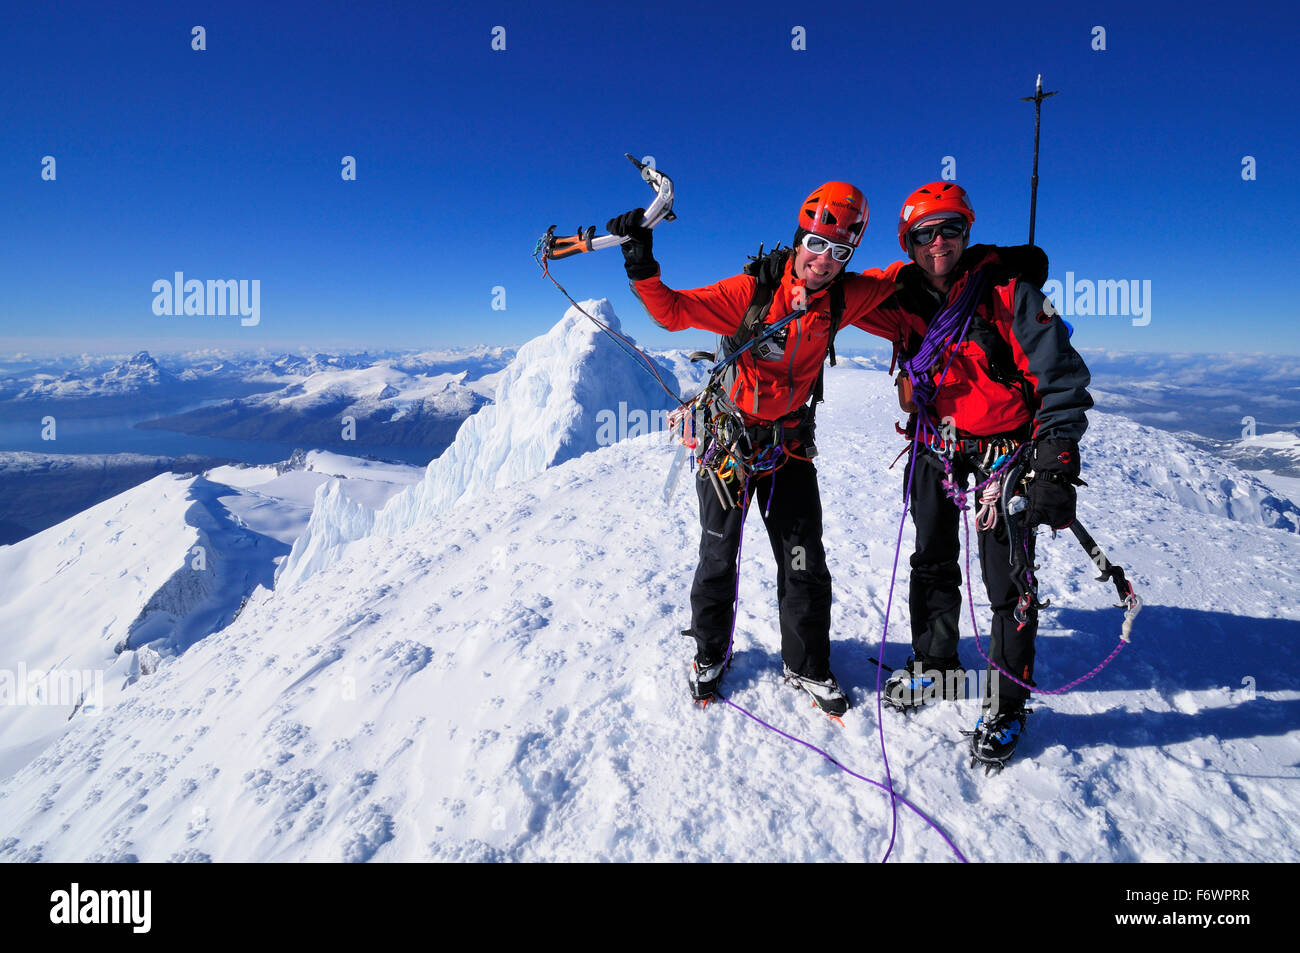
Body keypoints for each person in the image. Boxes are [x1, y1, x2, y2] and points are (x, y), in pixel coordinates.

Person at [605, 183, 901, 717]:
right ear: (799, 238)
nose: (826, 260)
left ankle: (807, 663)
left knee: (802, 558)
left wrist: (980, 262)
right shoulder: (752, 294)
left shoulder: (843, 297)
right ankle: (708, 654)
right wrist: (640, 262)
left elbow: (908, 274)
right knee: (718, 554)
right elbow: (672, 312)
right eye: (817, 242)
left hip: (789, 450)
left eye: (841, 251)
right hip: (730, 445)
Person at [859, 182, 1092, 767]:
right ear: (908, 243)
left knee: (1008, 580)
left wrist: (1056, 464)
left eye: (950, 229)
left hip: (1005, 456)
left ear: (967, 231)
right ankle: (936, 664)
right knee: (932, 558)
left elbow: (1060, 376)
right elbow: (835, 293)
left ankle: (1009, 703)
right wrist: (781, 275)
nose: (939, 242)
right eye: (924, 233)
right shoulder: (902, 301)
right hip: (938, 447)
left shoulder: (1012, 293)